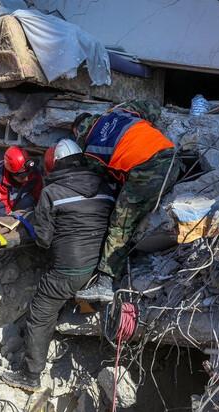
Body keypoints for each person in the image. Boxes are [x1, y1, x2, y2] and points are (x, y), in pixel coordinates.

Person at [0, 139, 115, 391]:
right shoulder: (105, 186)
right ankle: (80, 302)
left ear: (53, 167)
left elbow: (43, 240)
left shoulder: (51, 193)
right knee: (66, 289)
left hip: (69, 270)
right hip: (101, 268)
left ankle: (30, 376)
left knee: (40, 314)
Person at [73, 102, 181, 302]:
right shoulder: (120, 112)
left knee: (120, 224)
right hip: (173, 157)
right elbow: (152, 107)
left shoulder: (91, 150)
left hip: (150, 175)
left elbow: (97, 181)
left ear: (78, 132)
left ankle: (105, 282)